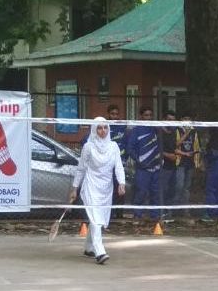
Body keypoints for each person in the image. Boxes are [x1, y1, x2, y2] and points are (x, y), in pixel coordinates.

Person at [69, 117, 126, 264]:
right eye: (99, 128)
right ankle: (100, 252)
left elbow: (118, 166)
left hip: (106, 188)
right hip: (91, 186)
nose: (102, 131)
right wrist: (75, 188)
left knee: (98, 219)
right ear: (94, 129)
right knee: (95, 218)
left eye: (105, 128)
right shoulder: (88, 147)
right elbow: (81, 169)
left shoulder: (114, 146)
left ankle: (89, 247)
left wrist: (122, 182)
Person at [125, 106, 162, 221]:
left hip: (156, 167)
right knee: (141, 192)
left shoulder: (156, 129)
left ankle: (154, 217)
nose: (149, 118)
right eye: (146, 115)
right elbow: (130, 148)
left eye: (150, 115)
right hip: (142, 169)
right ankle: (138, 215)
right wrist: (139, 160)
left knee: (155, 193)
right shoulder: (136, 130)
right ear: (141, 116)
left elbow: (160, 145)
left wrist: (160, 160)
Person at [175, 113, 200, 217]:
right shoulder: (178, 130)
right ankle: (174, 209)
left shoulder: (194, 131)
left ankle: (185, 210)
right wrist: (187, 132)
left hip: (190, 163)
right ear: (181, 119)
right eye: (185, 118)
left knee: (186, 188)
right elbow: (176, 144)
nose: (187, 121)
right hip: (180, 162)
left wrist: (198, 162)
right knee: (179, 186)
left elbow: (197, 146)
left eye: (189, 119)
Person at [158, 111, 180, 219]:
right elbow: (156, 149)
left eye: (173, 120)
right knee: (162, 189)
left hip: (172, 166)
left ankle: (167, 212)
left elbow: (174, 148)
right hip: (162, 166)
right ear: (164, 119)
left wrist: (184, 153)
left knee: (172, 189)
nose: (171, 122)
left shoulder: (173, 132)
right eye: (169, 120)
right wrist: (167, 155)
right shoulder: (158, 132)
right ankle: (159, 212)